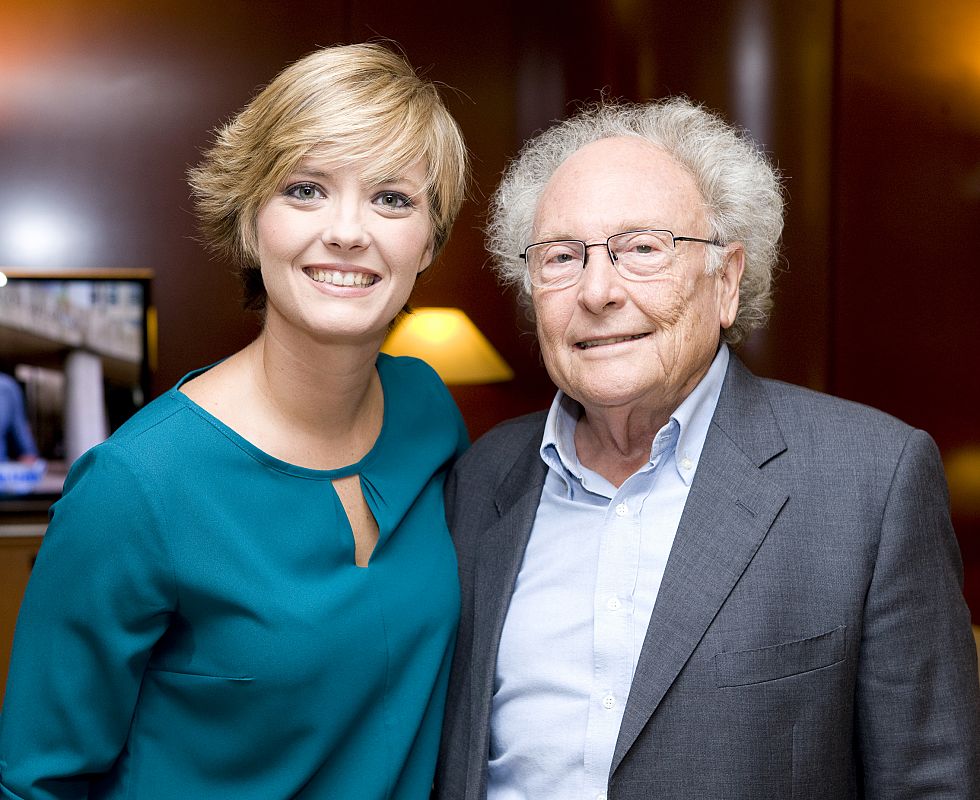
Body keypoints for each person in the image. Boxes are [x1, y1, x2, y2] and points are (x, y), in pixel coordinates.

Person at [436, 98, 979, 799]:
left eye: (642, 249)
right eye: (562, 257)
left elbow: (929, 782)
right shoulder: (480, 479)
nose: (598, 291)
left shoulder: (871, 483)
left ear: (725, 281)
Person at [0, 43, 469, 799]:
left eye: (392, 198)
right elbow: (35, 782)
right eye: (307, 189)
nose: (349, 231)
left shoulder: (428, 410)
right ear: (251, 223)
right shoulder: (135, 487)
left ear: (429, 241)